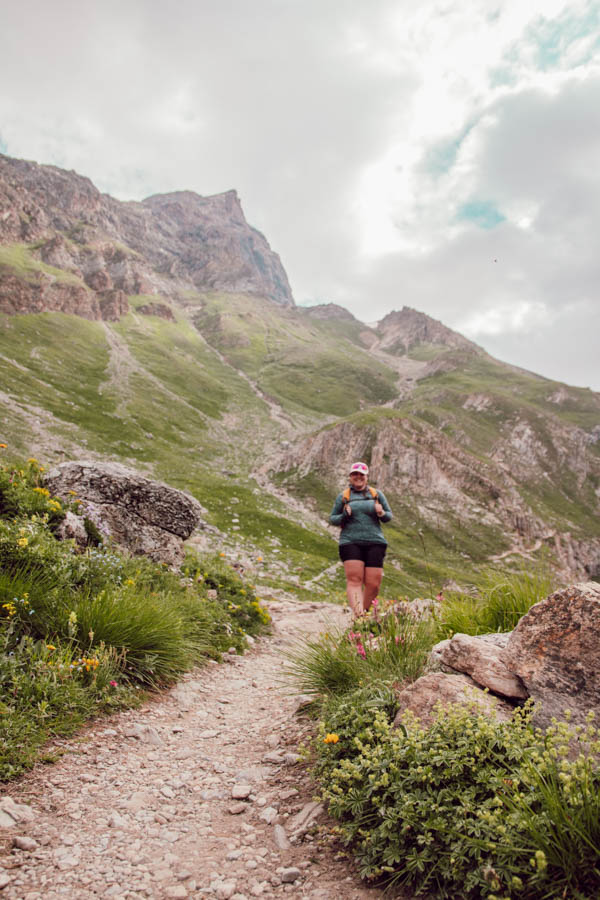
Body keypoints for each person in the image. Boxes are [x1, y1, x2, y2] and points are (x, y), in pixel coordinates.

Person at [329, 461, 392, 618]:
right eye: (355, 474)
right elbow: (333, 518)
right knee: (354, 580)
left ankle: (362, 614)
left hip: (375, 541)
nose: (358, 477)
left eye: (361, 474)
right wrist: (344, 515)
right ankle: (360, 618)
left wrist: (381, 513)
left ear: (366, 477)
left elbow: (388, 517)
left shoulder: (376, 494)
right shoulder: (344, 497)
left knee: (374, 584)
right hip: (350, 541)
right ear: (350, 477)